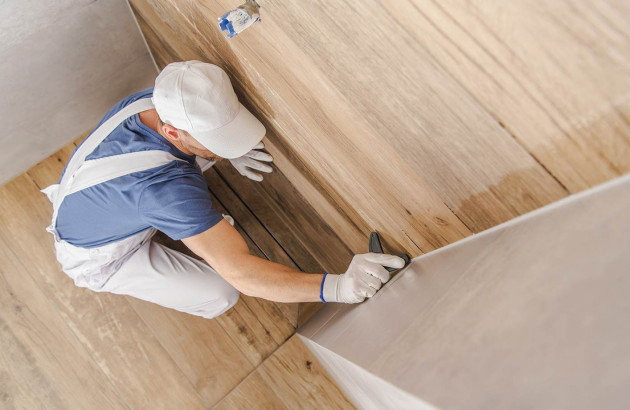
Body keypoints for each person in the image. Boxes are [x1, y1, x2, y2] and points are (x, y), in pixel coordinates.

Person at [43, 60, 404, 319]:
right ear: (171, 133)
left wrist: (224, 152)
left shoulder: (151, 101)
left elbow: (184, 148)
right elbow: (242, 273)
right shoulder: (166, 191)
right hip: (98, 256)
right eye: (216, 140)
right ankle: (170, 238)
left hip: (97, 195)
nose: (224, 148)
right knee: (221, 294)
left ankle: (181, 222)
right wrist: (339, 287)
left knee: (185, 197)